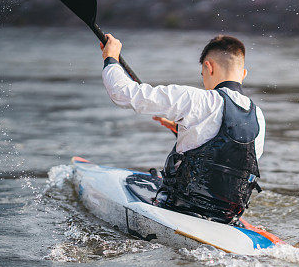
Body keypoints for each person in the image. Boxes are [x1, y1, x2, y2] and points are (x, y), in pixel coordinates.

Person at [100, 33, 265, 224]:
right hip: (226, 217)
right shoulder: (258, 115)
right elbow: (231, 158)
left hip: (182, 208)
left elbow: (122, 94)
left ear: (208, 67)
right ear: (243, 74)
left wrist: (111, 58)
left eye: (202, 74)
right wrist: (184, 130)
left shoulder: (197, 99)